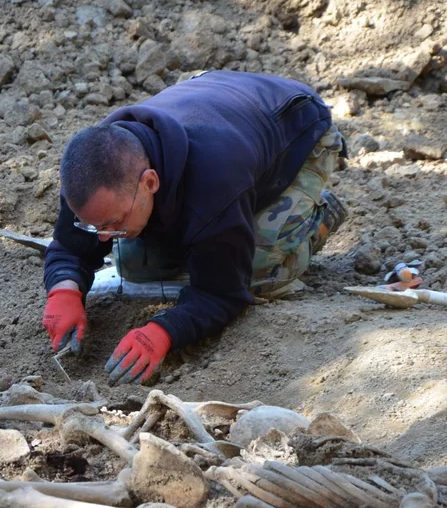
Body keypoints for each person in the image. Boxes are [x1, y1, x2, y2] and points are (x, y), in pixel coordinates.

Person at [42, 70, 349, 384]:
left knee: (256, 274)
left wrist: (164, 331)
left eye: (114, 223)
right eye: (97, 226)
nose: (105, 237)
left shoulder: (213, 186)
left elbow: (224, 295)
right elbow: (70, 247)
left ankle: (317, 220)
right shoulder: (94, 172)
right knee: (134, 263)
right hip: (220, 101)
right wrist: (63, 289)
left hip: (298, 128)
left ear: (150, 182)